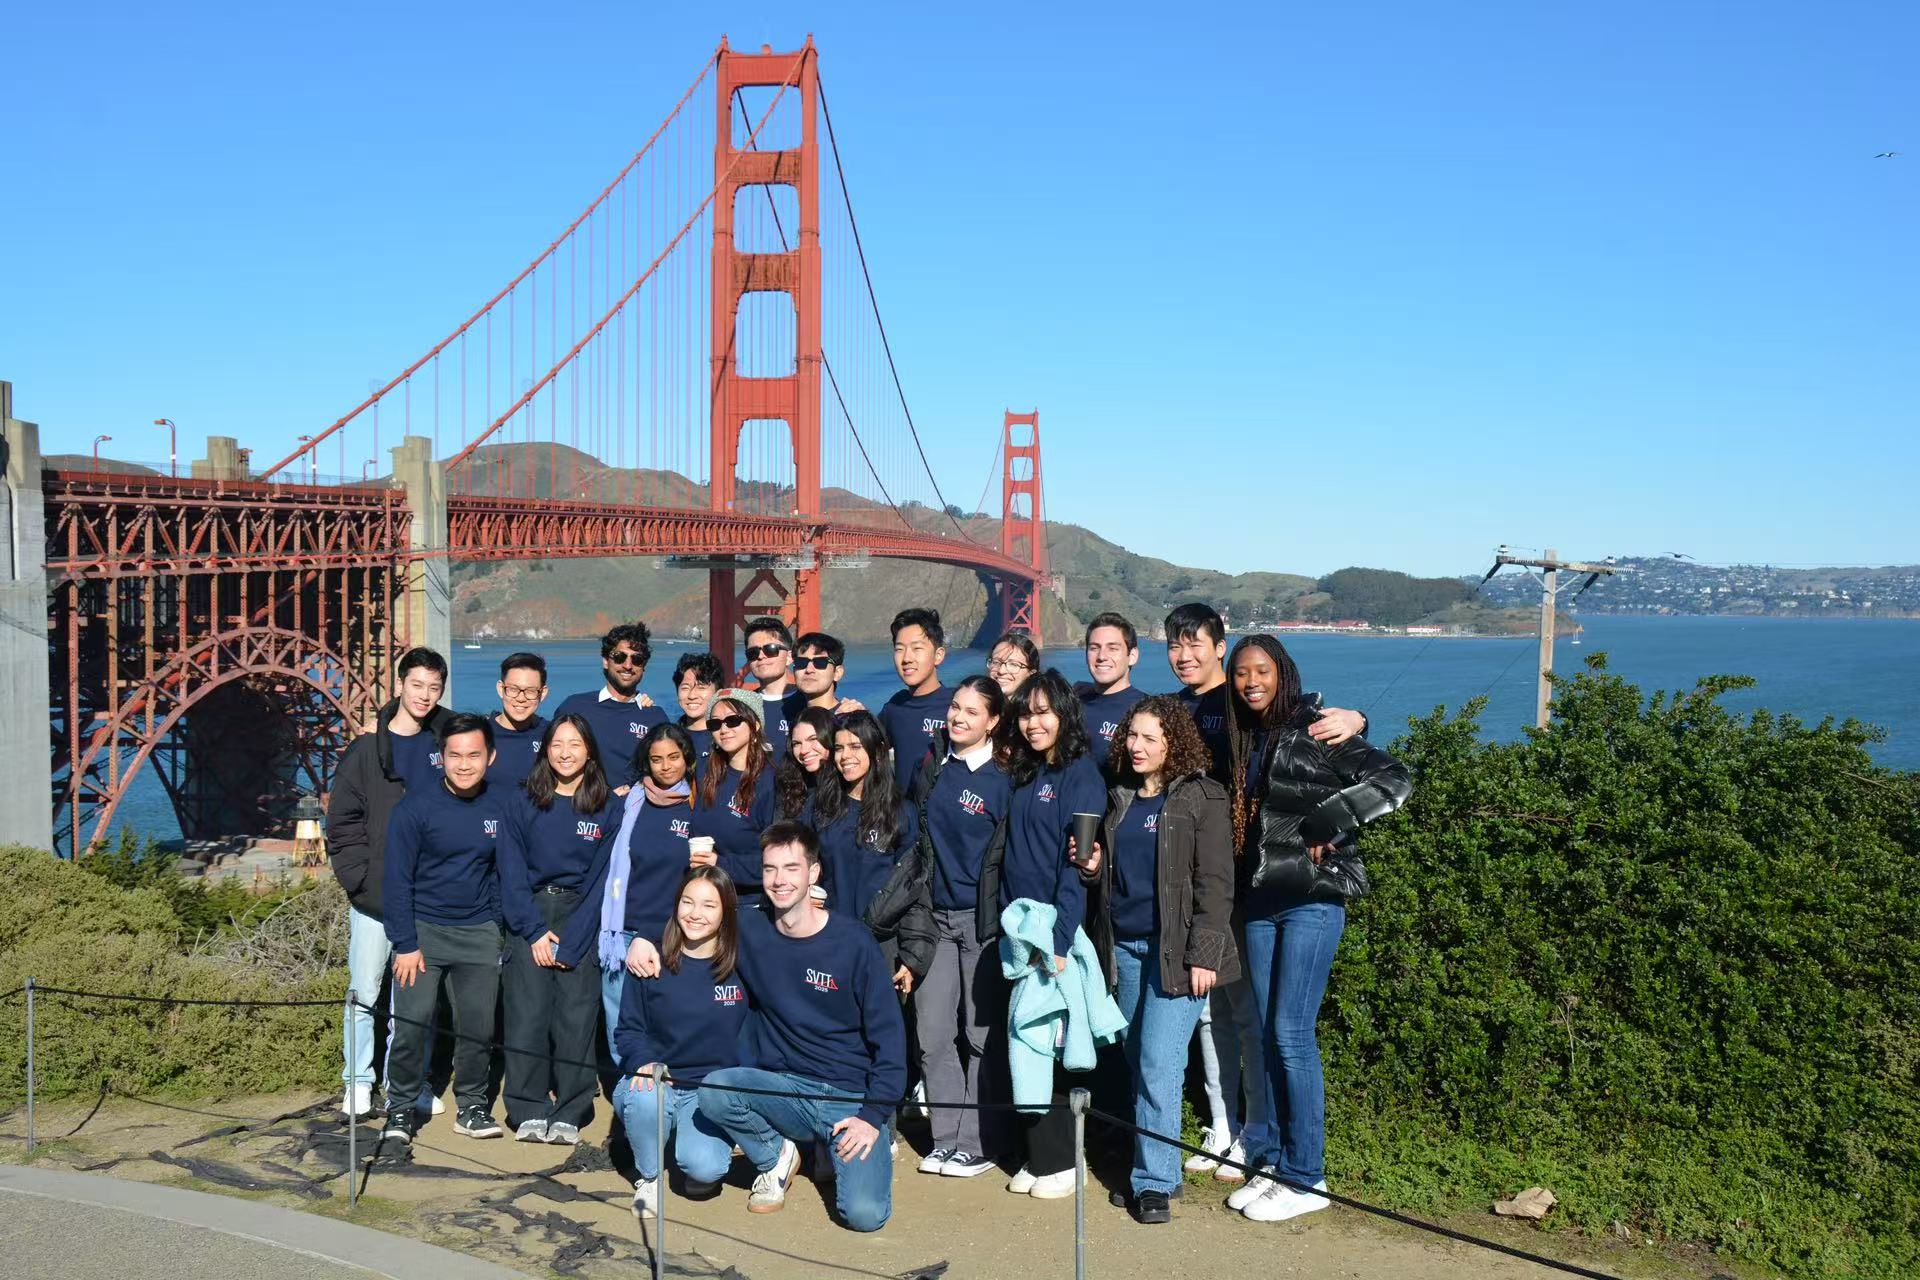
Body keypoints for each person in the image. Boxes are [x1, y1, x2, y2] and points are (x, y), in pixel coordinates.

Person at [1161, 602, 1367, 1179]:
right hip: (1239, 888)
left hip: (1293, 892)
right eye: (1175, 644)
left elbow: (1378, 772)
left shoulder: (1285, 717)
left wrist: (1356, 724)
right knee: (1243, 1021)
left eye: (1196, 643)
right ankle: (1259, 1147)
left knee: (1278, 1030)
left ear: (1219, 646)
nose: (1185, 654)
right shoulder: (1210, 716)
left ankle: (1294, 1166)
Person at [1221, 634, 1411, 1223]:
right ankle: (1277, 1162)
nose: (1252, 681)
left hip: (1311, 898)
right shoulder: (1241, 735)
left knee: (1291, 1033)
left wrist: (1328, 824)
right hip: (1259, 900)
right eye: (1242, 672)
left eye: (1263, 670)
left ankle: (1308, 1177)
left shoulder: (1317, 725)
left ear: (1283, 673)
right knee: (1268, 1035)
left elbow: (1393, 780)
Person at [697, 821, 908, 1231]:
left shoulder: (854, 942)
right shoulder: (750, 928)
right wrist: (643, 939)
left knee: (864, 1216)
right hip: (786, 1090)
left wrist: (872, 1114)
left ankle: (838, 1150)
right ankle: (777, 1155)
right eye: (770, 869)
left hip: (848, 1100)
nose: (779, 880)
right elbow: (693, 917)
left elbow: (890, 1040)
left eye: (791, 868)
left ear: (813, 874)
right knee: (716, 1091)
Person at [1077, 695, 1239, 1224]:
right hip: (1123, 947)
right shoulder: (1119, 797)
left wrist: (1206, 954)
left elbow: (1215, 883)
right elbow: (1115, 877)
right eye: (1132, 736)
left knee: (1158, 1063)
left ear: (1173, 741)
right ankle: (1149, 1159)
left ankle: (1156, 1182)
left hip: (1178, 953)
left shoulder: (1201, 796)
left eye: (1150, 737)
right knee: (1132, 1055)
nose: (1138, 746)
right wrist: (1095, 870)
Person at [380, 712, 516, 1144]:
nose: (464, 764)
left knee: (477, 1027)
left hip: (477, 932)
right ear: (441, 758)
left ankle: (472, 1106)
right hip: (422, 934)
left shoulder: (503, 804)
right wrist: (405, 943)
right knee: (413, 1023)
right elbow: (397, 880)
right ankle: (400, 1109)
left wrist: (495, 927)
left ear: (490, 757)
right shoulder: (415, 808)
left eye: (473, 755)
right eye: (454, 755)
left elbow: (504, 871)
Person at [326, 646, 448, 1118]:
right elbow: (342, 823)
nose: (424, 695)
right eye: (416, 685)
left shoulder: (443, 742)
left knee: (414, 1002)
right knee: (365, 991)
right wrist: (359, 881)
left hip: (426, 896)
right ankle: (357, 1081)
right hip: (374, 897)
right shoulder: (364, 750)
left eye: (433, 688)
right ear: (399, 685)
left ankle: (409, 1084)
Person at [999, 669, 1108, 1198]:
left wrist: (1061, 940)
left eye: (1044, 711)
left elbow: (1077, 865)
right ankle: (1040, 1154)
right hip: (1021, 931)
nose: (1034, 722)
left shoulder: (1080, 774)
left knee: (1052, 1040)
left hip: (1052, 932)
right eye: (1026, 712)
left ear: (1065, 714)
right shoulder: (1029, 772)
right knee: (1027, 1041)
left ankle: (1065, 1161)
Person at [910, 674, 1014, 1179]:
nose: (958, 718)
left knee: (979, 1033)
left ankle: (978, 1141)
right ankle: (947, 1138)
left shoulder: (1003, 778)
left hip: (981, 923)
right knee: (932, 1032)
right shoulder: (932, 769)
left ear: (993, 720)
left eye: (971, 712)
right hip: (934, 916)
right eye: (954, 707)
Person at [497, 714, 619, 1145]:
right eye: (557, 744)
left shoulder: (607, 805)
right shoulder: (522, 802)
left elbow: (604, 879)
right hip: (529, 911)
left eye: (575, 744)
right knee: (526, 1014)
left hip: (581, 914)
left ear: (589, 751)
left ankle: (572, 1105)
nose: (565, 753)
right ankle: (527, 1105)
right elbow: (509, 871)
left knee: (576, 1015)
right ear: (545, 749)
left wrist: (576, 936)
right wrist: (531, 931)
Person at [613, 865, 747, 1221]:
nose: (695, 913)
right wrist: (644, 1060)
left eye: (708, 905)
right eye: (687, 902)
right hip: (658, 1081)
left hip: (708, 1092)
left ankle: (690, 1145)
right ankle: (650, 1176)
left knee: (703, 1171)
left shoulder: (743, 963)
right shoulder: (650, 960)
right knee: (645, 1096)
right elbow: (627, 1030)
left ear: (726, 912)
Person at [594, 723, 698, 1055]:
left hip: (674, 934)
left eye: (673, 757)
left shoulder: (697, 804)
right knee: (620, 1029)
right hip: (622, 932)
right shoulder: (631, 800)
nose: (666, 766)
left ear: (687, 757)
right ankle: (631, 1098)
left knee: (669, 1025)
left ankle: (666, 1101)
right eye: (656, 759)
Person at [808, 709, 929, 987]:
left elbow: (913, 890)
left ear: (876, 752)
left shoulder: (901, 812)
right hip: (829, 935)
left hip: (882, 942)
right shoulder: (821, 807)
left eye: (855, 746)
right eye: (838, 748)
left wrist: (912, 957)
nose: (845, 756)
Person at [552, 622, 667, 789]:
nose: (628, 665)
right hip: (582, 809)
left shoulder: (654, 717)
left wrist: (634, 790)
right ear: (606, 661)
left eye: (637, 659)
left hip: (632, 811)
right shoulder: (575, 707)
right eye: (620, 657)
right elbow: (549, 757)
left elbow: (663, 771)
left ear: (644, 666)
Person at [690, 688, 777, 897]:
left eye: (733, 720)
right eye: (715, 723)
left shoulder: (772, 781)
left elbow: (777, 861)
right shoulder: (704, 771)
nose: (723, 729)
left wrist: (720, 863)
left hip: (749, 902)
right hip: (705, 892)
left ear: (755, 724)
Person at [880, 607, 949, 791]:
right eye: (899, 649)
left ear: (938, 655)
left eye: (917, 648)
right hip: (902, 816)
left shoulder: (956, 706)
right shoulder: (894, 707)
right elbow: (866, 747)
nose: (906, 658)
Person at [1076, 613, 1146, 764]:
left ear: (1132, 656)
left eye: (1112, 648)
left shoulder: (1145, 709)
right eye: (1094, 648)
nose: (1102, 656)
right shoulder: (1072, 701)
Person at [743, 616, 806, 757]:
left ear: (789, 657)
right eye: (753, 652)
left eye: (770, 649)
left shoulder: (809, 703)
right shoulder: (741, 708)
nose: (761, 656)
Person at [490, 652, 551, 789]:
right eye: (513, 689)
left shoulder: (551, 735)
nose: (521, 698)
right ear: (501, 689)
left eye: (530, 691)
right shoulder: (480, 734)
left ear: (543, 693)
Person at [774, 705, 836, 820]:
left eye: (813, 739)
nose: (803, 750)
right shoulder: (791, 785)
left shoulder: (848, 787)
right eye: (796, 743)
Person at [672, 651, 725, 768]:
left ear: (718, 692)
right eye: (685, 688)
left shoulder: (728, 737)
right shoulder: (669, 737)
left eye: (701, 687)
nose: (692, 695)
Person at [792, 631, 865, 713]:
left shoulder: (851, 720)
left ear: (837, 673)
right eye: (801, 662)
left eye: (820, 662)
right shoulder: (790, 717)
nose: (809, 670)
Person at [984, 630, 1041, 698]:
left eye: (1013, 664)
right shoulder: (977, 704)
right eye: (996, 662)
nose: (1001, 671)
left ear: (1031, 673)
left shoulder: (1038, 707)